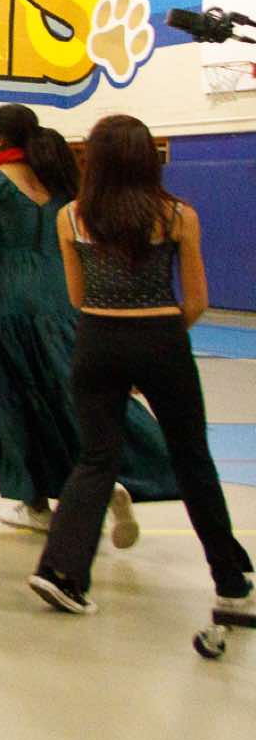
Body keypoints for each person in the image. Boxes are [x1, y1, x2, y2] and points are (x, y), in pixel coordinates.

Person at [31, 115, 253, 618]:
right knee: (191, 457)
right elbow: (196, 299)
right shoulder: (176, 215)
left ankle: (61, 571)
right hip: (159, 337)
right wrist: (160, 340)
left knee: (96, 458)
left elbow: (77, 296)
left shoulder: (70, 217)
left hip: (96, 339)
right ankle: (229, 580)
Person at [0, 103, 178, 532]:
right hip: (64, 297)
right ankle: (117, 471)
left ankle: (34, 503)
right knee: (74, 393)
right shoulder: (60, 181)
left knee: (15, 401)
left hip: (9, 300)